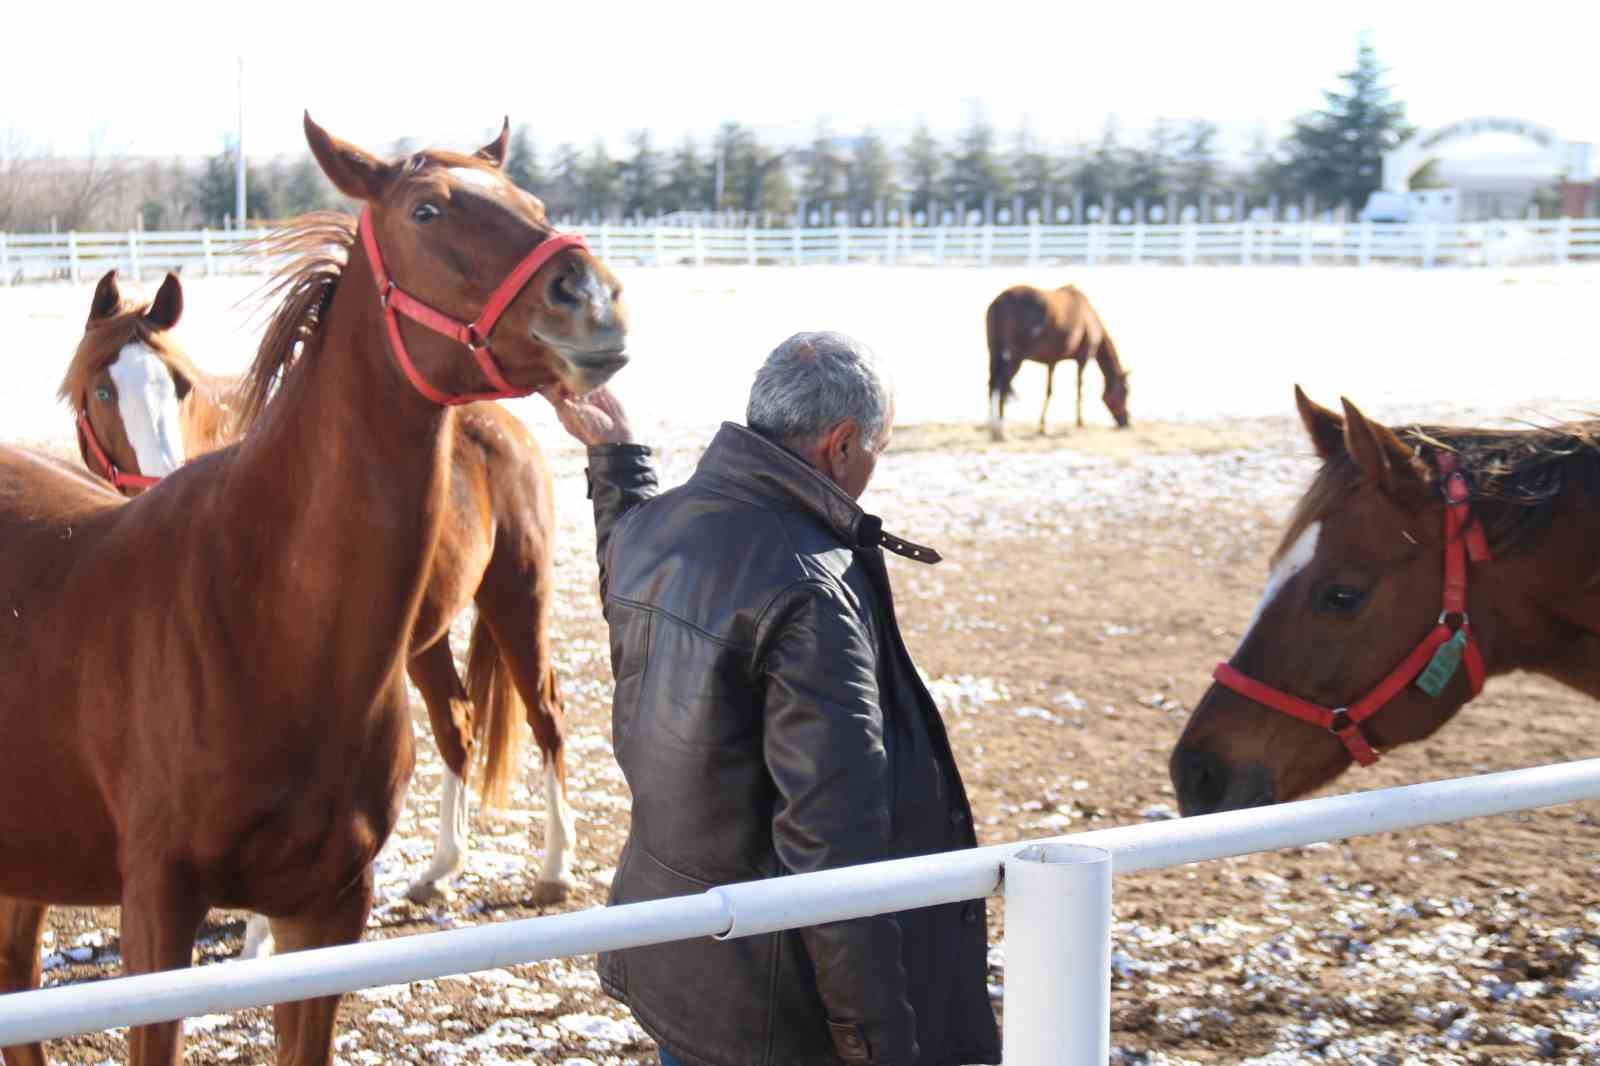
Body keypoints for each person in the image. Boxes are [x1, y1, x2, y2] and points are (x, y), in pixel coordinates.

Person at [542, 331, 999, 1066]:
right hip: (778, 1014)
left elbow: (628, 568)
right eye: (878, 448)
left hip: (681, 961)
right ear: (841, 444)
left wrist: (617, 460)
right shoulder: (810, 589)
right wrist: (876, 1039)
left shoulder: (655, 529)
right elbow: (833, 842)